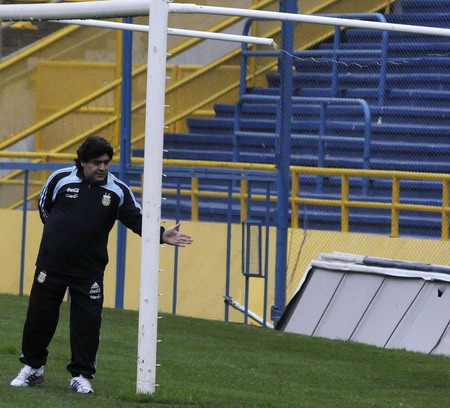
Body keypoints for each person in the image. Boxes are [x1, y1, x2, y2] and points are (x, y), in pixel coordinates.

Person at [10, 136, 192, 393]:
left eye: (107, 162)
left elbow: (136, 219)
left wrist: (161, 234)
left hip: (89, 271)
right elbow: (45, 209)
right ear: (83, 161)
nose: (103, 168)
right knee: (39, 317)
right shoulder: (60, 179)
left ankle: (81, 375)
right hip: (51, 264)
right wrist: (61, 237)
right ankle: (33, 367)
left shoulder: (117, 190)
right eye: (96, 163)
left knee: (87, 323)